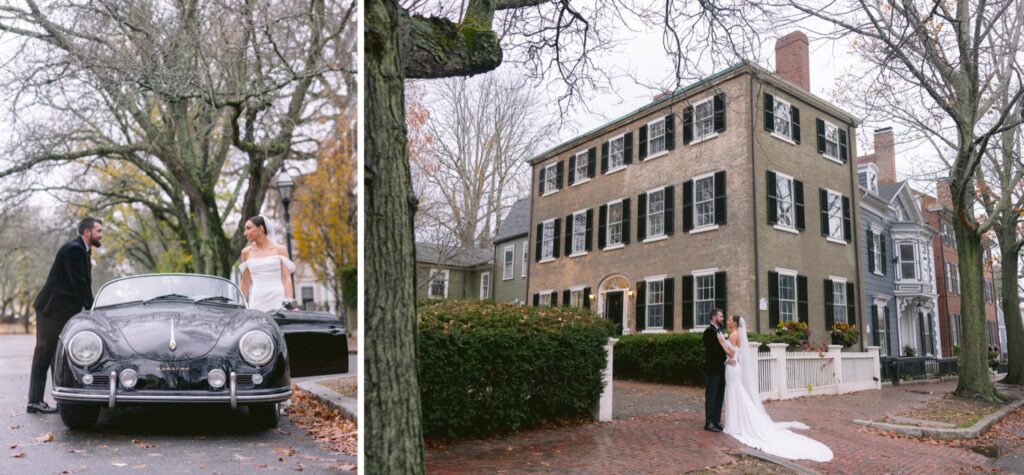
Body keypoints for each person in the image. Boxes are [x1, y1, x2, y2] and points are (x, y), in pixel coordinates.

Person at [717, 314, 833, 462]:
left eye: (729, 320)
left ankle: (736, 424)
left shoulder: (733, 335)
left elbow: (732, 353)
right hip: (735, 367)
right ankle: (735, 422)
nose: (727, 321)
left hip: (732, 368)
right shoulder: (737, 334)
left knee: (735, 393)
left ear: (734, 323)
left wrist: (722, 343)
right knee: (736, 393)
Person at [27, 217, 103, 414]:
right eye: (98, 231)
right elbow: (79, 283)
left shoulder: (84, 251)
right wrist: (93, 308)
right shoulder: (74, 249)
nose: (101, 234)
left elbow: (82, 284)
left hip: (64, 310)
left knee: (58, 356)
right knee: (44, 352)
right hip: (51, 308)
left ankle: (61, 399)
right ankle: (34, 401)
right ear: (87, 232)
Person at [239, 216, 295, 312]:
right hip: (257, 298)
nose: (245, 233)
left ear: (260, 229)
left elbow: (286, 278)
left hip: (278, 297)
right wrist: (239, 305)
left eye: (248, 228)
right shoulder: (246, 253)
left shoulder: (280, 250)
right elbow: (245, 282)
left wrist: (289, 302)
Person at [702, 308, 727, 432]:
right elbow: (713, 351)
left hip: (722, 369)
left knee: (719, 395)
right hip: (712, 369)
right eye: (720, 316)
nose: (722, 318)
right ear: (713, 317)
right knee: (711, 396)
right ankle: (709, 422)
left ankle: (717, 421)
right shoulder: (709, 332)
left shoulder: (720, 331)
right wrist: (725, 359)